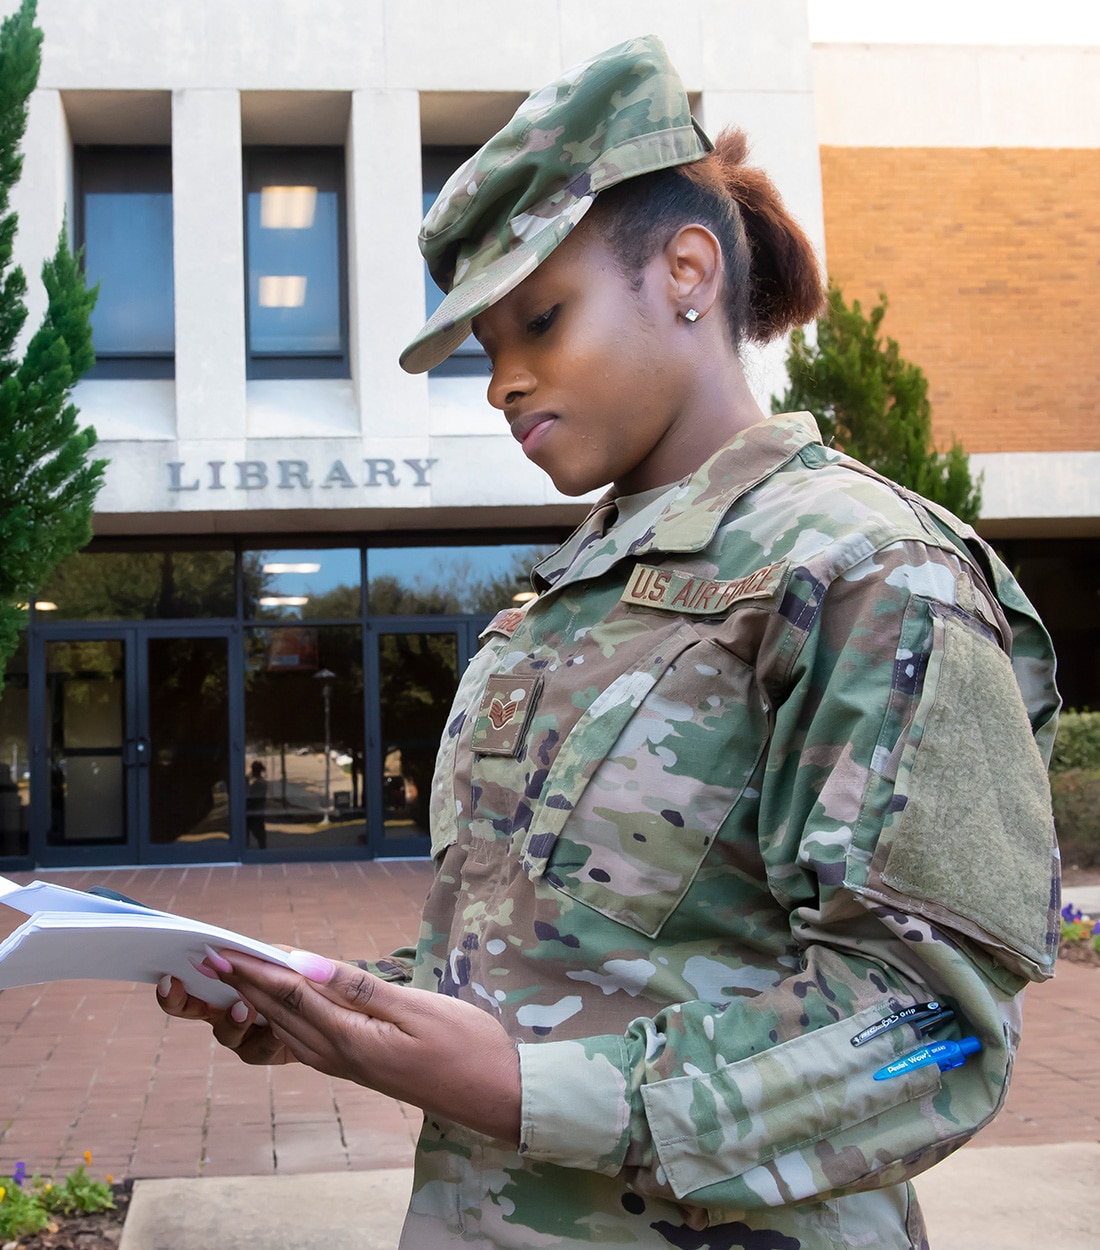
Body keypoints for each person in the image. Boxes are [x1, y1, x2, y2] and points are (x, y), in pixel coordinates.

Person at [158, 36, 1060, 1249]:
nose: (502, 383)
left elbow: (927, 1027)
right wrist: (340, 1006)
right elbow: (549, 945)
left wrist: (527, 1087)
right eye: (487, 349)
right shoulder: (564, 596)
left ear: (687, 269)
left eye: (540, 318)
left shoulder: (865, 568)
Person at [245, 759, 267, 850]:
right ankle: (261, 847)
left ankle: (262, 848)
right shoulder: (261, 782)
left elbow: (249, 795)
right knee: (254, 830)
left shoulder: (258, 783)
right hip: (256, 809)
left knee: (257, 831)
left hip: (254, 809)